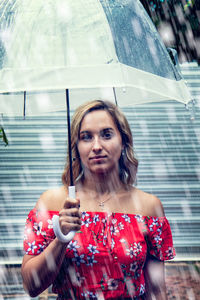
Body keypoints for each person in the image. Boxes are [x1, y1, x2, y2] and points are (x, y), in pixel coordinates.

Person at [21, 100, 175, 299]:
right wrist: (61, 239)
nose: (96, 146)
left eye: (106, 134)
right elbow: (31, 286)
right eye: (86, 137)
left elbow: (156, 292)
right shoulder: (53, 203)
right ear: (76, 147)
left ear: (124, 141)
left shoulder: (148, 207)